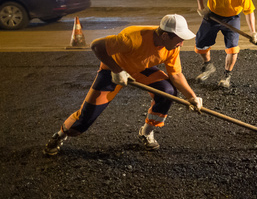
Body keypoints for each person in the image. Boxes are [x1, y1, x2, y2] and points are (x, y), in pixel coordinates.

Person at [44, 14, 203, 156]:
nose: (181, 44)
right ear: (165, 36)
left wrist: (192, 97)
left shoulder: (171, 47)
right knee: (84, 119)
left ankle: (146, 133)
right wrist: (116, 70)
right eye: (179, 39)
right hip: (112, 71)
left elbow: (175, 74)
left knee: (167, 91)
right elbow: (96, 46)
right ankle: (60, 135)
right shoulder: (133, 38)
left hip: (140, 69)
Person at [194, 0, 257, 88]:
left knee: (233, 48)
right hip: (212, 15)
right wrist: (201, 6)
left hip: (232, 18)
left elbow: (249, 11)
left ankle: (226, 76)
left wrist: (253, 32)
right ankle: (208, 65)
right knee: (200, 43)